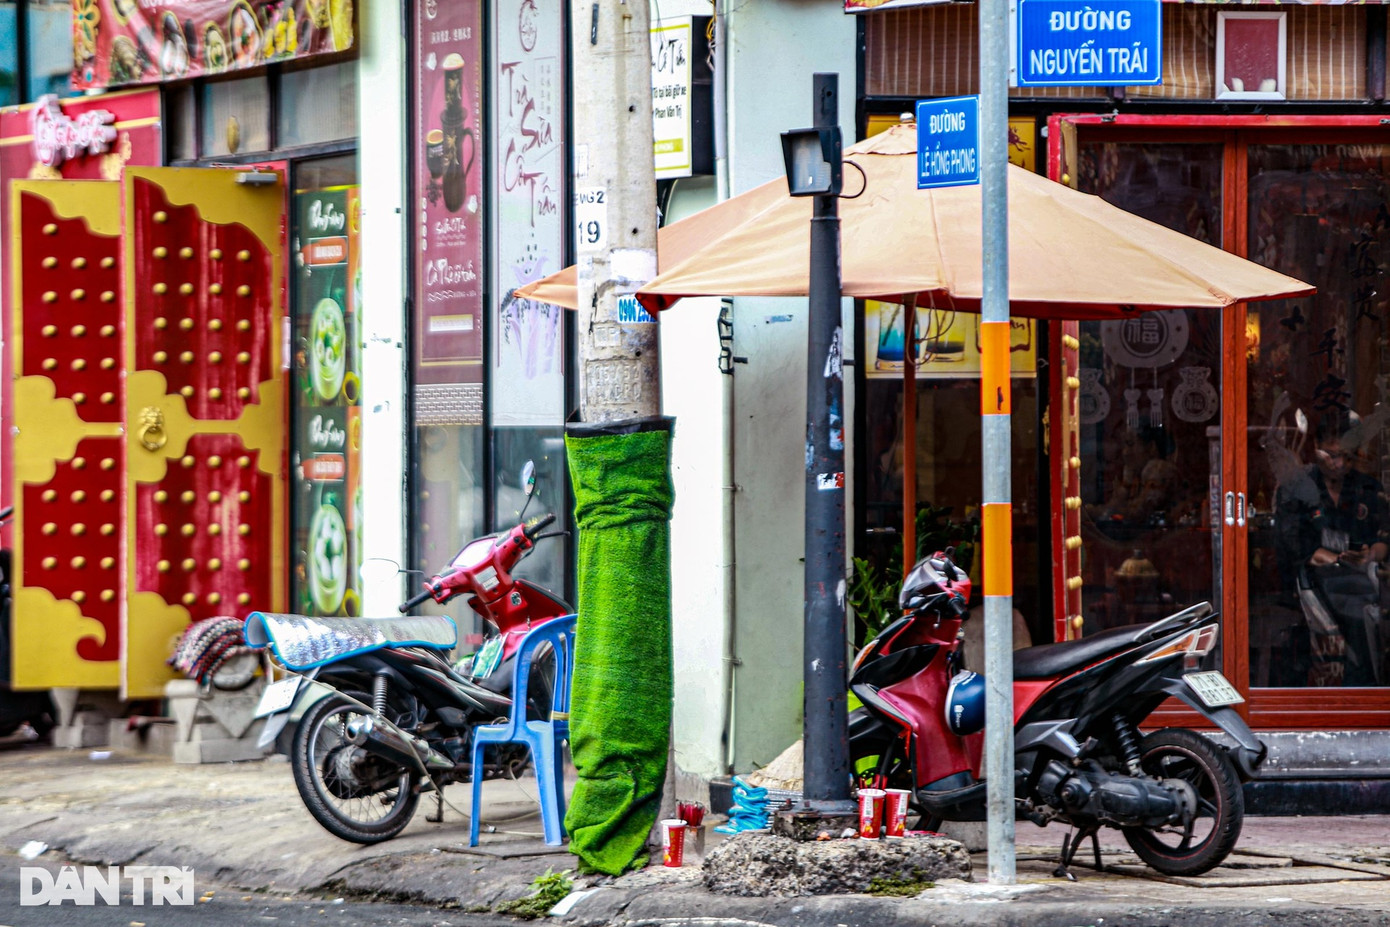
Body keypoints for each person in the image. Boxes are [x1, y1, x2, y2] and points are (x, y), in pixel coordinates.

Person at [1276, 411, 1389, 686]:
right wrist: (1334, 558)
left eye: (1347, 456)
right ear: (1316, 447)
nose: (1339, 464)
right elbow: (1294, 546)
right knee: (1355, 617)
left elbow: (1384, 538)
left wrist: (1370, 554)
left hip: (1364, 578)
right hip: (1315, 582)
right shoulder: (1297, 488)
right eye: (1331, 455)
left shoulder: (1367, 488)